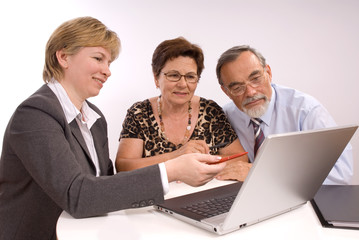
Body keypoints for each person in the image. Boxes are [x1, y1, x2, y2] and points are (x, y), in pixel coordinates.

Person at [0, 17, 227, 240]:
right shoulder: (35, 114)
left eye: (109, 63)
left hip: (85, 230)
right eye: (98, 58)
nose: (107, 71)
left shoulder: (95, 118)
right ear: (63, 56)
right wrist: (171, 170)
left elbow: (104, 186)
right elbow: (77, 195)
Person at [115, 37, 251, 181]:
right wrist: (177, 157)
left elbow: (240, 158)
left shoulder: (210, 111)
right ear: (156, 77)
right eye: (174, 75)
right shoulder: (139, 113)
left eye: (190, 76)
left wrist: (195, 164)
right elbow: (124, 167)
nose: (183, 84)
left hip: (203, 195)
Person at [216, 45, 353, 185]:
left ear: (268, 73)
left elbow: (341, 172)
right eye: (237, 88)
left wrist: (261, 174)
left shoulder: (305, 111)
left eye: (256, 79)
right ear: (226, 91)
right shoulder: (225, 117)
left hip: (304, 200)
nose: (250, 92)